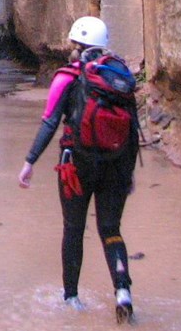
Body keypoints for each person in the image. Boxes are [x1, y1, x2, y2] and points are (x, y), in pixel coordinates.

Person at [17, 16, 138, 323]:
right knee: (110, 229)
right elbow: (133, 129)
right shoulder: (119, 77)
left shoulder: (69, 75)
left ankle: (71, 298)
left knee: (74, 228)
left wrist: (30, 161)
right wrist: (129, 174)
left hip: (77, 163)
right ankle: (122, 289)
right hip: (117, 164)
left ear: (77, 45)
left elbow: (50, 121)